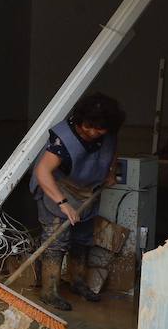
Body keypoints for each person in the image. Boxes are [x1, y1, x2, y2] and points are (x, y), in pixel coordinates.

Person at [30, 93, 124, 310]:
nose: (92, 133)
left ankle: (77, 282)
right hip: (56, 187)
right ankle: (49, 291)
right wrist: (63, 203)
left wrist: (111, 171)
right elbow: (42, 170)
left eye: (99, 129)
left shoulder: (108, 133)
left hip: (86, 191)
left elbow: (112, 149)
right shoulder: (63, 137)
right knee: (56, 239)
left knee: (82, 239)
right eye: (88, 127)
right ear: (80, 120)